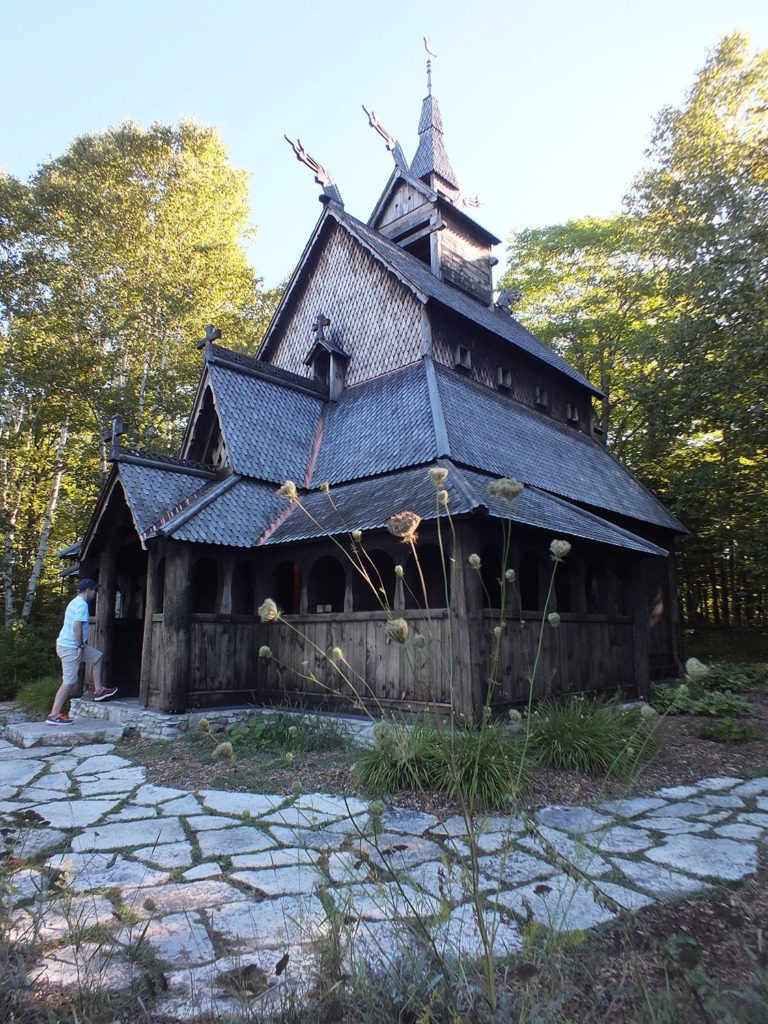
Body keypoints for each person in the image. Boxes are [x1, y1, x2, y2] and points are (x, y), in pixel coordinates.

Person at [46, 578, 117, 726]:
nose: (95, 593)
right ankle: (53, 715)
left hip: (70, 645)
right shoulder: (82, 605)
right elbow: (76, 626)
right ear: (89, 590)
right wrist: (80, 647)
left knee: (97, 657)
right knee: (69, 682)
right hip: (71, 647)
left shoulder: (75, 602)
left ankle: (98, 691)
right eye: (94, 590)